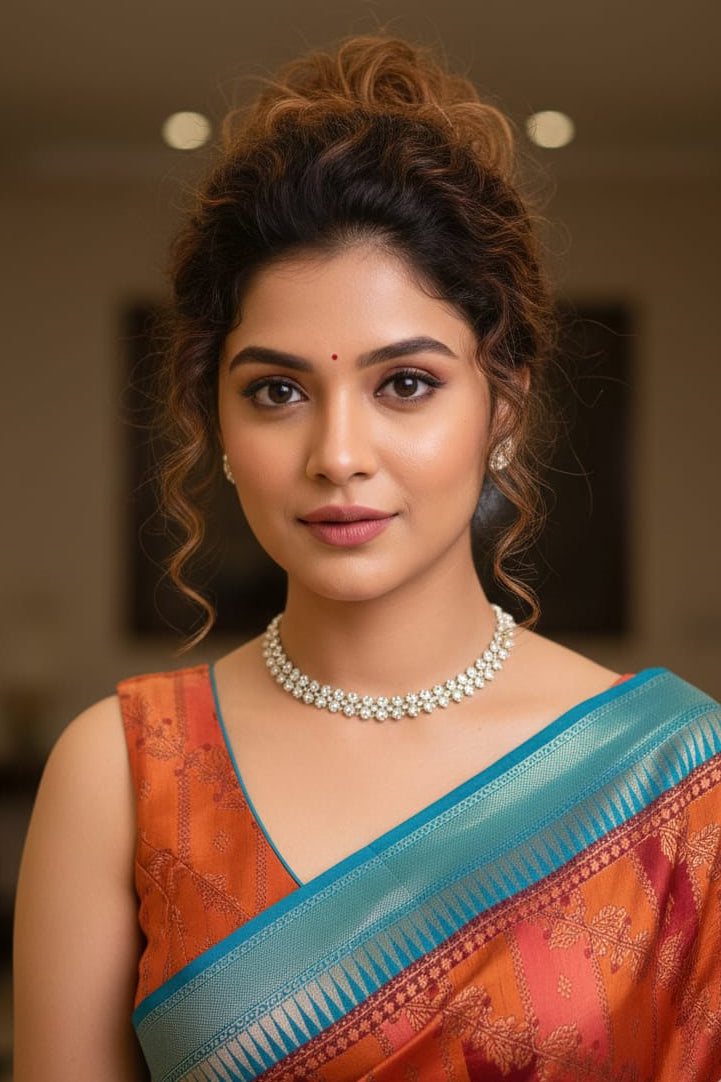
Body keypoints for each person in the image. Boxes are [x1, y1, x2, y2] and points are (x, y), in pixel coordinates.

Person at [13, 33, 721, 1082]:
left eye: (405, 384)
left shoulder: (677, 777)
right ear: (212, 422)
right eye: (277, 389)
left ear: (504, 408)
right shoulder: (120, 772)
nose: (337, 454)